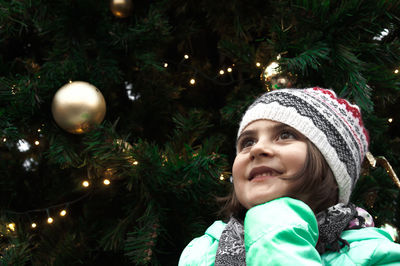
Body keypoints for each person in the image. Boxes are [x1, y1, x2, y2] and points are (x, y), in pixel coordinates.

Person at [179, 87, 400, 265]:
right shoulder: (201, 252)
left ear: (331, 165)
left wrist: (275, 226)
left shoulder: (377, 255)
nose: (257, 149)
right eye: (247, 142)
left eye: (285, 135)